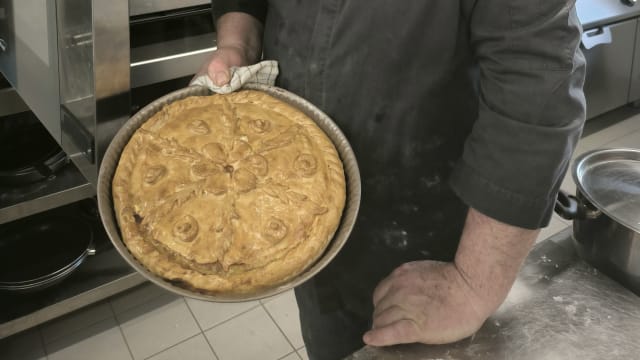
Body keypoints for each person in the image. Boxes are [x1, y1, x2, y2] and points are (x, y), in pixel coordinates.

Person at [197, 1, 586, 359]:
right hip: (305, 223)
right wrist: (237, 41)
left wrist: (472, 283)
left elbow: (537, 80)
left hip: (428, 243)